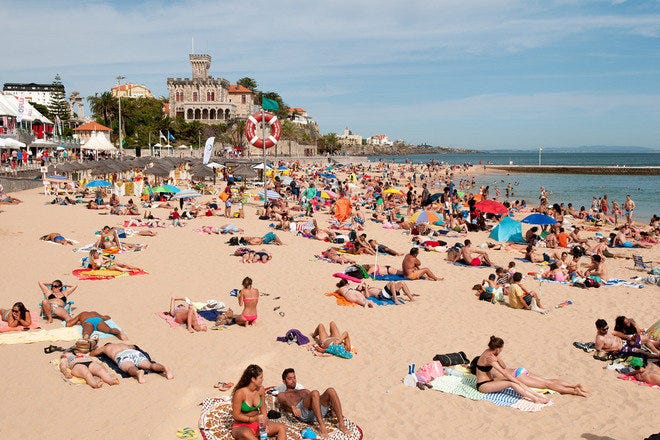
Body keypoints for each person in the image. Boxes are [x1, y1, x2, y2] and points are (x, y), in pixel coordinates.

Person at [471, 336, 550, 403]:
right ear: (498, 349)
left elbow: (504, 366)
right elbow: (504, 372)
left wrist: (498, 358)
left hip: (491, 381)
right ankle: (535, 399)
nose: (502, 350)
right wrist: (518, 382)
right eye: (502, 348)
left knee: (515, 381)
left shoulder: (491, 352)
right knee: (512, 383)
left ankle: (536, 395)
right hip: (483, 385)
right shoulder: (489, 358)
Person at [277, 368, 349, 436]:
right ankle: (322, 426)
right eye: (290, 379)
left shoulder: (303, 391)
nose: (293, 381)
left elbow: (317, 399)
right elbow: (283, 401)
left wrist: (331, 404)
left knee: (331, 390)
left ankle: (342, 425)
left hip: (317, 412)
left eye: (294, 378)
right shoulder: (282, 394)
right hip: (303, 414)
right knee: (315, 392)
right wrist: (292, 407)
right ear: (284, 381)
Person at [231, 364, 286, 440]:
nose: (262, 379)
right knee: (246, 434)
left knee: (281, 427)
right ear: (253, 379)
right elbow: (236, 415)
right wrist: (252, 419)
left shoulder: (261, 390)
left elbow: (263, 408)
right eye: (260, 377)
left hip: (258, 423)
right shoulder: (240, 393)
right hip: (242, 425)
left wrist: (265, 422)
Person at [90, 341, 174, 383]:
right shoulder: (123, 344)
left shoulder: (106, 347)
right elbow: (134, 346)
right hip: (134, 352)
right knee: (150, 365)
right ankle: (164, 368)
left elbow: (93, 354)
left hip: (122, 356)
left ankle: (138, 373)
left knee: (130, 368)